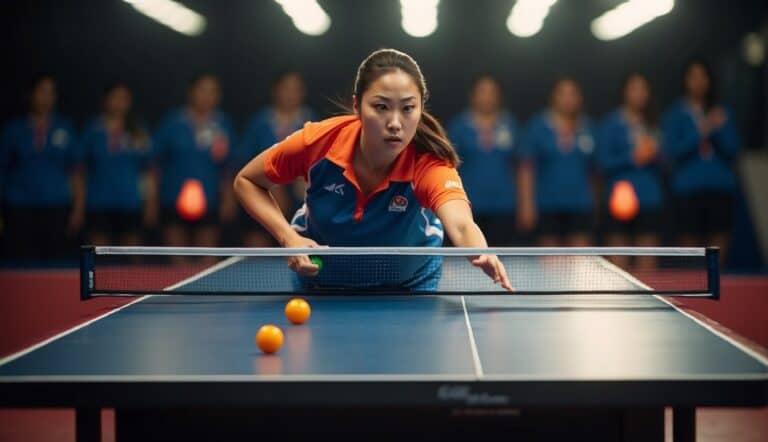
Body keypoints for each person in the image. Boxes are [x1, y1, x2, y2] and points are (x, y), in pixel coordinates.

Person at [234, 48, 510, 291]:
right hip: (320, 279)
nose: (395, 122)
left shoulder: (428, 162)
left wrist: (480, 251)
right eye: (381, 107)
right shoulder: (318, 142)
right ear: (357, 106)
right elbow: (247, 181)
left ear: (421, 109)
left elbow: (461, 223)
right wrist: (288, 237)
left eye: (407, 108)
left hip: (410, 285)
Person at [661, 59, 740, 262]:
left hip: (721, 187)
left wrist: (718, 130)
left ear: (709, 80)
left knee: (719, 244)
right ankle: (695, 285)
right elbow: (671, 153)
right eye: (693, 77)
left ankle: (717, 286)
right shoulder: (674, 114)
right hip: (688, 189)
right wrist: (702, 131)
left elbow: (733, 150)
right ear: (685, 81)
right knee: (691, 247)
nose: (698, 82)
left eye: (702, 76)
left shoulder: (722, 112)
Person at [153, 74, 237, 261]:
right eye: (202, 90)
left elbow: (228, 167)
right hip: (172, 198)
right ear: (191, 92)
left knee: (207, 262)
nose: (207, 96)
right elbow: (155, 164)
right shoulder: (172, 123)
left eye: (212, 91)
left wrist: (228, 199)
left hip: (210, 199)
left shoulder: (223, 125)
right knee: (177, 261)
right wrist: (152, 199)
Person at [0, 74, 82, 262]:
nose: (45, 97)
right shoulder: (13, 129)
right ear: (30, 95)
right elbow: (2, 170)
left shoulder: (65, 128)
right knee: (19, 264)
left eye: (50, 93)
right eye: (41, 91)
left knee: (54, 264)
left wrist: (77, 209)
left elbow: (76, 172)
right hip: (19, 207)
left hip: (56, 206)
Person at [517, 77, 597, 247]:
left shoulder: (588, 127)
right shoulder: (538, 126)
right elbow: (527, 168)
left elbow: (594, 171)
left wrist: (595, 204)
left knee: (582, 264)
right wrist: (526, 205)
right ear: (554, 97)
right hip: (548, 204)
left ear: (579, 98)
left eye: (572, 94)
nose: (568, 99)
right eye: (563, 94)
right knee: (550, 264)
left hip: (580, 204)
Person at [239, 71, 315, 247]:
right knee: (257, 253)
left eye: (296, 89)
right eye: (286, 88)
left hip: (301, 201)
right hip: (265, 194)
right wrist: (270, 185)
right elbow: (245, 163)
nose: (290, 94)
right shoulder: (259, 122)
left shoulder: (311, 121)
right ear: (276, 91)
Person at [597, 73, 663, 269]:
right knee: (618, 263)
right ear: (624, 92)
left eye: (643, 89)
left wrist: (656, 154)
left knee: (647, 261)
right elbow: (603, 161)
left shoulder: (654, 123)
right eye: (634, 88)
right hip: (619, 199)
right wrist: (632, 157)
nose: (639, 94)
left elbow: (668, 160)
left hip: (649, 198)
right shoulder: (611, 123)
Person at [447, 74, 520, 246]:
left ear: (499, 96)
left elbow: (521, 167)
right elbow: (448, 168)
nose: (487, 97)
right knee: (469, 262)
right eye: (482, 92)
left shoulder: (510, 124)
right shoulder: (459, 126)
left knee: (501, 262)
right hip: (468, 207)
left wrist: (524, 204)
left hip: (504, 205)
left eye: (492, 92)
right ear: (473, 95)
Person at [80, 82, 155, 247]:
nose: (119, 103)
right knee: (97, 256)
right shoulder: (93, 130)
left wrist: (150, 203)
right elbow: (80, 171)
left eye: (124, 98)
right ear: (106, 100)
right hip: (98, 203)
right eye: (115, 97)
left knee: (132, 257)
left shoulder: (138, 131)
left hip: (130, 202)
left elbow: (148, 171)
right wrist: (79, 206)